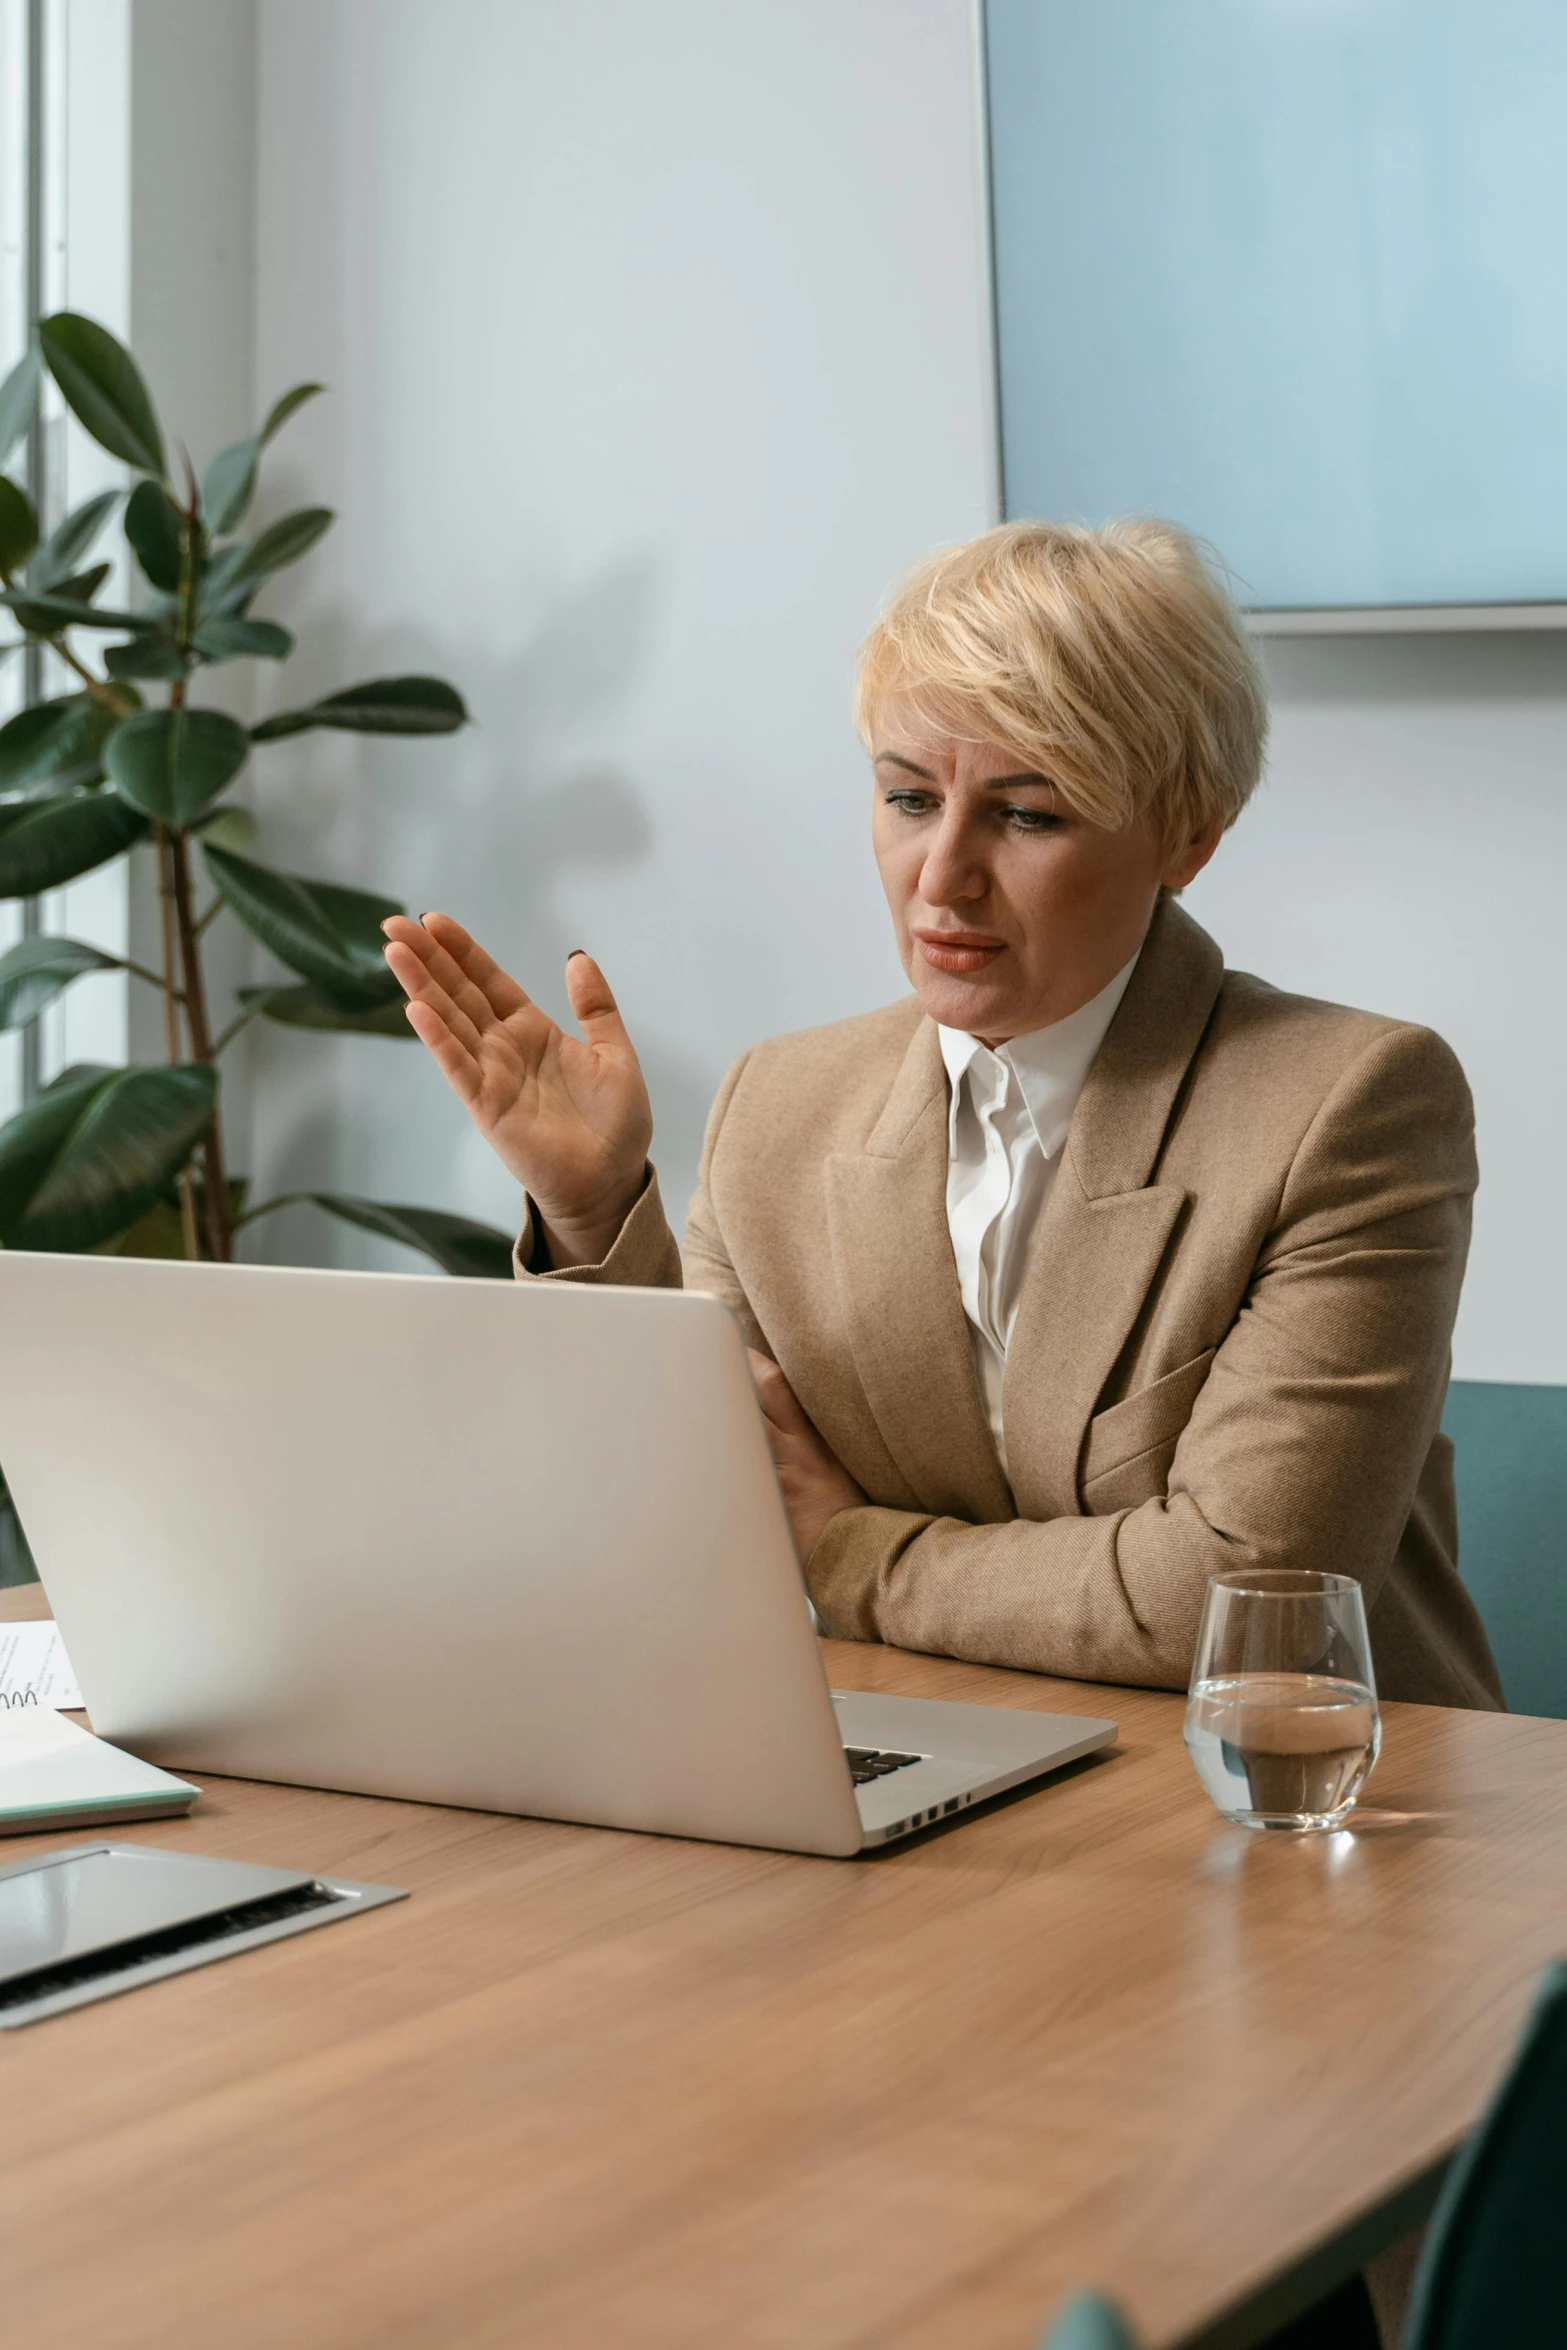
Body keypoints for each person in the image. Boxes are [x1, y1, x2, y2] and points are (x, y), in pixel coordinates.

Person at [382, 518, 1500, 1709]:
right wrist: (592, 1204)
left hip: (1298, 1814)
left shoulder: (1350, 1104)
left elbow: (1232, 1598)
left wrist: (850, 1552)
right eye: (909, 797)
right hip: (934, 1774)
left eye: (1027, 815)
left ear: (1189, 833)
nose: (942, 875)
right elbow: (684, 1522)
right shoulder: (779, 1105)